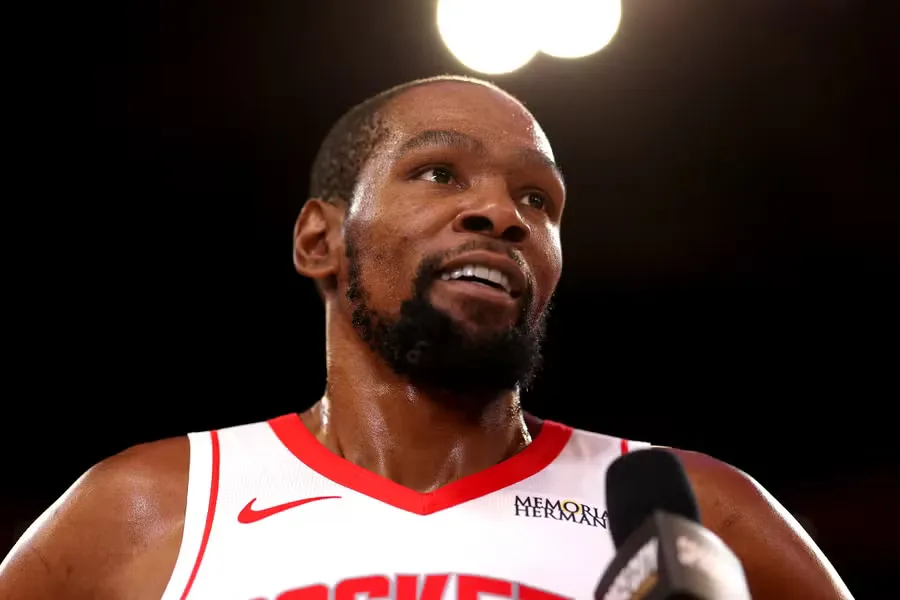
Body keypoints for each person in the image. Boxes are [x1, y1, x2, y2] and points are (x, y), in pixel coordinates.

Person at [0, 75, 852, 600]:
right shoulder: (148, 508)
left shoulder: (697, 512)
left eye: (538, 199)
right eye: (439, 172)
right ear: (319, 240)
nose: (502, 214)